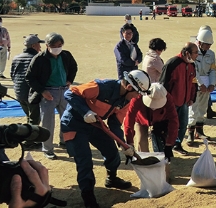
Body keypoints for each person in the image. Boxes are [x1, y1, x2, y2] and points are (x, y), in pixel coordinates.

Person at [61, 70, 150, 208]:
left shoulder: (125, 100)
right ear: (129, 87)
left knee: (112, 152)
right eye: (137, 92)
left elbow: (115, 124)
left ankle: (112, 178)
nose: (137, 96)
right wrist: (86, 111)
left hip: (96, 124)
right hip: (74, 123)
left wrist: (123, 145)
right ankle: (88, 196)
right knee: (85, 160)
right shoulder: (101, 86)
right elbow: (70, 93)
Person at [26, 32, 78, 160]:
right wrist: (42, 91)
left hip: (64, 91)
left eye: (60, 45)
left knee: (67, 119)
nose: (58, 47)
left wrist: (70, 80)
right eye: (55, 45)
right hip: (48, 93)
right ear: (47, 46)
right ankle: (48, 149)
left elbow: (73, 67)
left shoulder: (66, 55)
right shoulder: (39, 59)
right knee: (48, 123)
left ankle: (64, 141)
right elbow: (30, 77)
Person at [160, 42, 197, 155]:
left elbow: (193, 82)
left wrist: (192, 98)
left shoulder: (192, 65)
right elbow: (163, 84)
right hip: (171, 103)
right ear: (187, 53)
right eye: (195, 53)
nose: (197, 55)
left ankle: (177, 144)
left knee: (183, 124)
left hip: (184, 102)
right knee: (169, 126)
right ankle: (165, 148)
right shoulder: (172, 64)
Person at [124, 83, 178, 159]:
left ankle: (163, 164)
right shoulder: (137, 98)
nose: (154, 108)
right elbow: (129, 119)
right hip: (140, 120)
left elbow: (174, 120)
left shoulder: (168, 98)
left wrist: (169, 144)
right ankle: (144, 162)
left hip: (161, 120)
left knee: (162, 144)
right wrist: (130, 143)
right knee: (141, 142)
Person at [10, 34, 44, 149]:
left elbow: (12, 74)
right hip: (31, 93)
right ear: (34, 46)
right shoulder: (37, 58)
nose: (40, 47)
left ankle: (29, 137)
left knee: (29, 117)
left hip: (19, 92)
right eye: (39, 44)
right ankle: (29, 142)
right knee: (34, 119)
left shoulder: (17, 57)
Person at [187, 29, 216, 144]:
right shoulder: (193, 52)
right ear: (200, 43)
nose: (208, 47)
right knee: (193, 109)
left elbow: (213, 70)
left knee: (203, 108)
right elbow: (193, 70)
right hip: (195, 84)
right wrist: (201, 84)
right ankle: (190, 133)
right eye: (206, 44)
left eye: (210, 44)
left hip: (207, 84)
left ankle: (199, 131)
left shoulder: (211, 54)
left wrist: (212, 84)